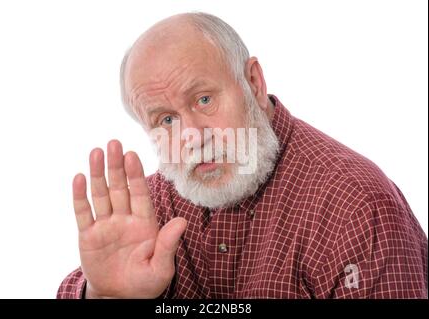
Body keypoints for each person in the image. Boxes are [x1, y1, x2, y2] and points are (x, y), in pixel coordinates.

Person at [57, 12, 427, 299]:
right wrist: (106, 294)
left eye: (204, 99)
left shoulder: (355, 203)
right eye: (166, 119)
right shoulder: (149, 206)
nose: (193, 137)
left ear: (253, 81)